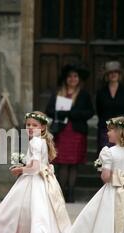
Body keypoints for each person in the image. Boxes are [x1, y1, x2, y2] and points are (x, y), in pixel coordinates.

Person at [0, 112, 71, 233]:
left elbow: (35, 168)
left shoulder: (35, 142)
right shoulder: (43, 141)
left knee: (23, 217)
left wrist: (20, 170)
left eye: (34, 125)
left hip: (33, 182)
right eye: (28, 125)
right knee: (45, 217)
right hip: (45, 182)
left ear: (43, 127)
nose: (30, 128)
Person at [45, 64, 94, 203]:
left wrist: (72, 113)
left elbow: (90, 112)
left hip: (77, 132)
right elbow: (48, 110)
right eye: (70, 76)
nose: (72, 79)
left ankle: (71, 193)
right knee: (62, 163)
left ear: (79, 79)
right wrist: (58, 112)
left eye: (75, 76)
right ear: (66, 79)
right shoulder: (58, 93)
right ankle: (60, 192)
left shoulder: (84, 94)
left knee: (73, 163)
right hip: (61, 132)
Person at [96, 61, 124, 154]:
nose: (113, 74)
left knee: (121, 154)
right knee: (105, 154)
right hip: (105, 128)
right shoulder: (101, 92)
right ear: (107, 75)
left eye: (115, 72)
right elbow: (99, 110)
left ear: (119, 74)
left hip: (122, 128)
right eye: (110, 72)